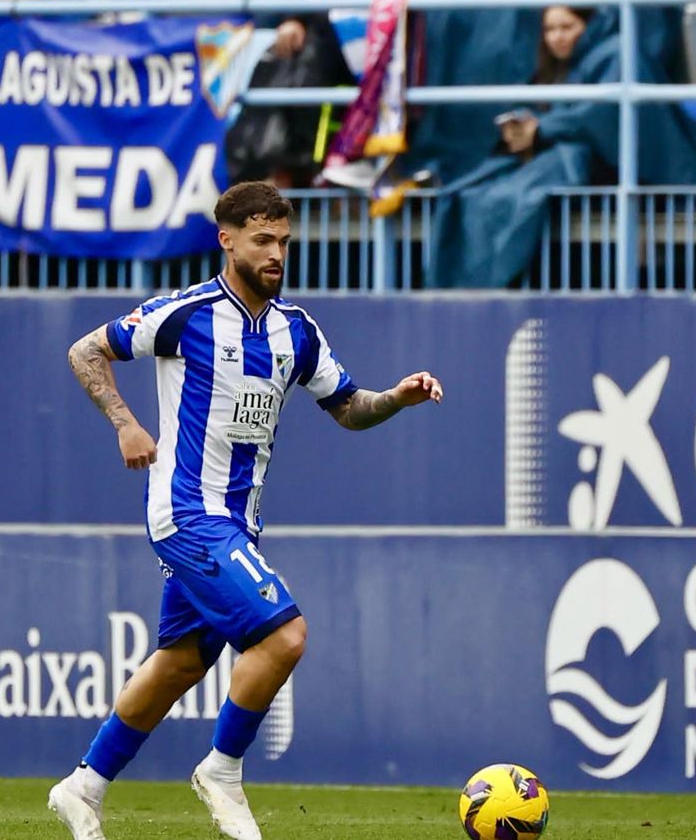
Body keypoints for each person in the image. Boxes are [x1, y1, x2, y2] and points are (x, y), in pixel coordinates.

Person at [49, 181, 444, 840]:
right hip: (186, 511)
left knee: (179, 661)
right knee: (284, 636)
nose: (276, 254)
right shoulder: (187, 313)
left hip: (237, 523)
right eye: (262, 240)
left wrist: (395, 398)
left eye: (283, 241)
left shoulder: (296, 331)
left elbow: (347, 407)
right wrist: (124, 422)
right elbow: (86, 350)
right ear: (225, 239)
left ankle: (83, 786)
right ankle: (222, 770)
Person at [429, 3, 696, 287]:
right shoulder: (564, 65)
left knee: (516, 194)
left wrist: (543, 129)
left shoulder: (617, 53)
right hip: (582, 162)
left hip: (631, 170)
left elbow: (606, 119)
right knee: (477, 187)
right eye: (550, 29)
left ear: (589, 24)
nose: (558, 37)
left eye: (567, 27)